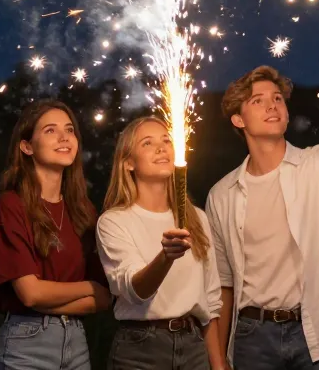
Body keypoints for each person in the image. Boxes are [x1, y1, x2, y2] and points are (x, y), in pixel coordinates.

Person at [206, 63, 319, 370]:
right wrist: (219, 362)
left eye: (277, 99)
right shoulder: (222, 194)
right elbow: (223, 285)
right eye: (257, 101)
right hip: (252, 337)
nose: (271, 106)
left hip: (318, 331)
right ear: (238, 118)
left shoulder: (317, 165)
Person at [0, 100, 111, 370]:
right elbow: (30, 294)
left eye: (69, 130)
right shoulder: (12, 205)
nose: (64, 137)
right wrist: (88, 287)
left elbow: (104, 298)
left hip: (76, 342)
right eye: (50, 131)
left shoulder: (83, 210)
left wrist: (50, 298)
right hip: (26, 344)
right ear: (27, 146)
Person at [96, 115, 225, 370]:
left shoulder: (196, 218)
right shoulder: (114, 222)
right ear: (128, 163)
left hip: (193, 347)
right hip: (141, 350)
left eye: (166, 140)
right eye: (147, 143)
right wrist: (166, 257)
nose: (161, 147)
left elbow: (210, 300)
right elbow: (136, 291)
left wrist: (218, 365)